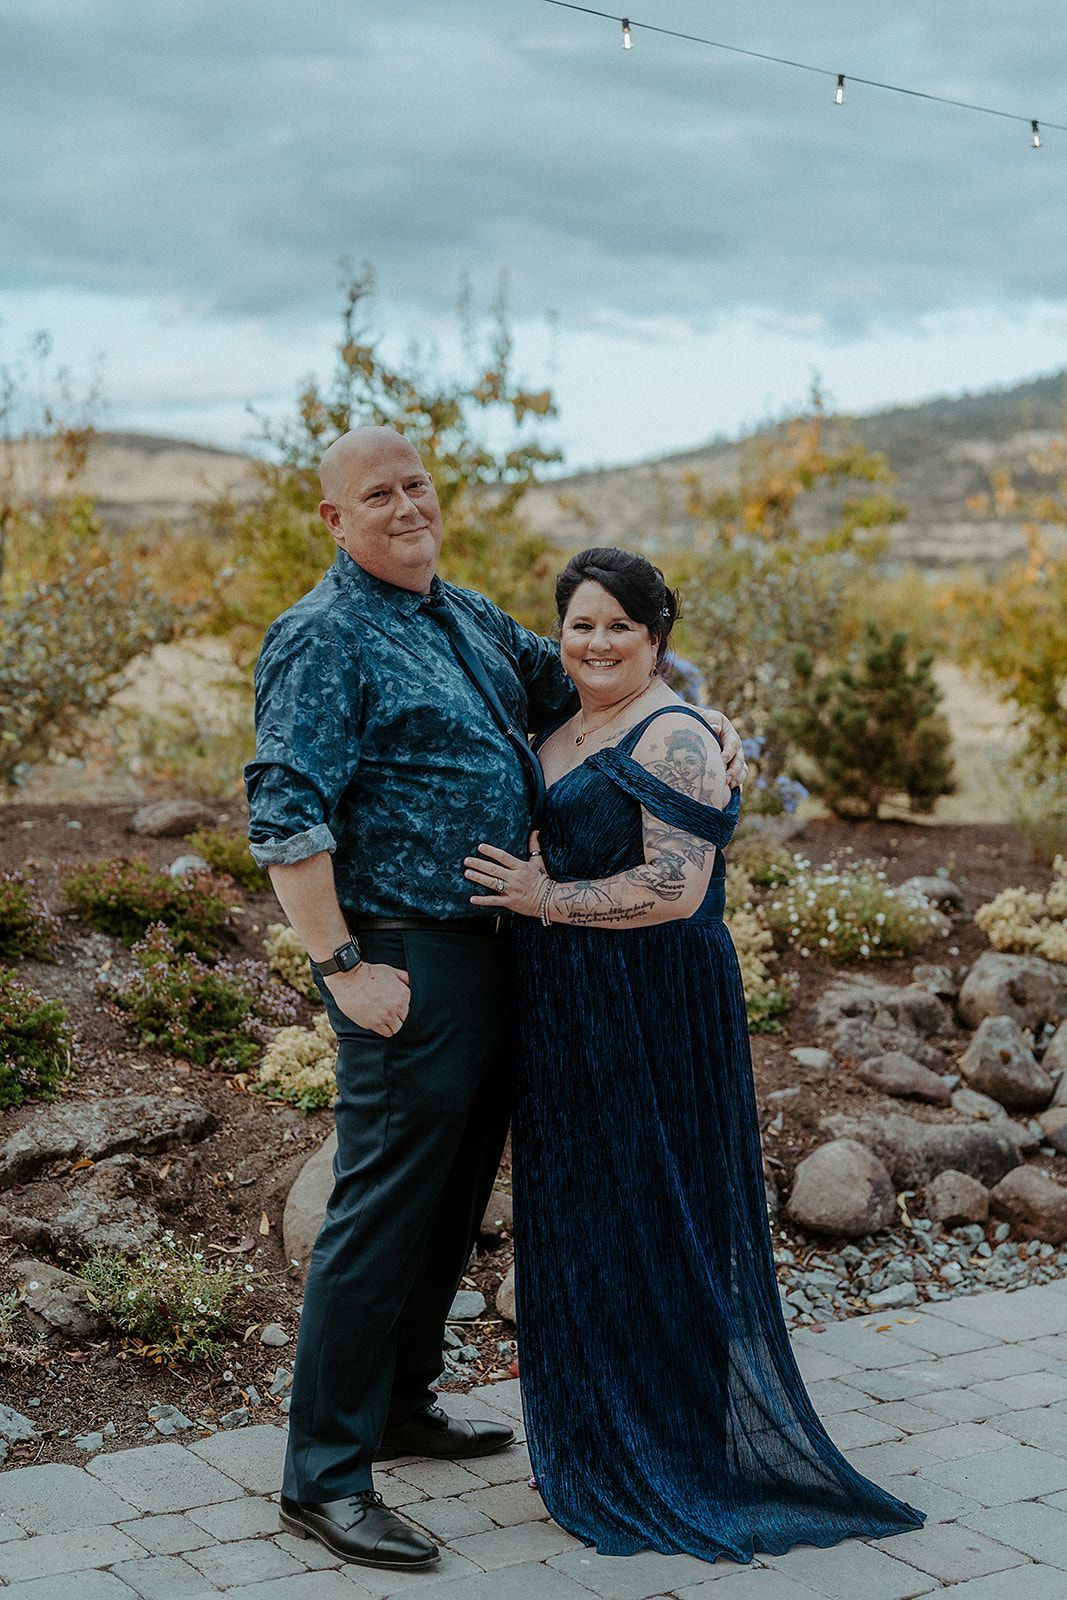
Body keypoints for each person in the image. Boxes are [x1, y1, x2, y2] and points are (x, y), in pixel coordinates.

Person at [244, 430, 746, 1572]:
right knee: (380, 1209)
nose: (405, 505)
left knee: (450, 1195)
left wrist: (700, 721)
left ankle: (401, 1403)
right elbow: (284, 812)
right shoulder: (323, 635)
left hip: (500, 951)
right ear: (334, 519)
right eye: (377, 493)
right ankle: (323, 1476)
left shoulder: (463, 615)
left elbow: (598, 680)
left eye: (416, 484)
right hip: (406, 955)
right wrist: (342, 966)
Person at [463, 546, 925, 1564]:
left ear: (656, 636)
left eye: (618, 627)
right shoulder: (563, 721)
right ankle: (599, 1431)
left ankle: (665, 1446)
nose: (596, 643)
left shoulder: (674, 733)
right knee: (586, 1211)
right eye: (580, 625)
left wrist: (543, 897)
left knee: (654, 1207)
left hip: (652, 1002)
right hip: (568, 1004)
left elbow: (673, 889)